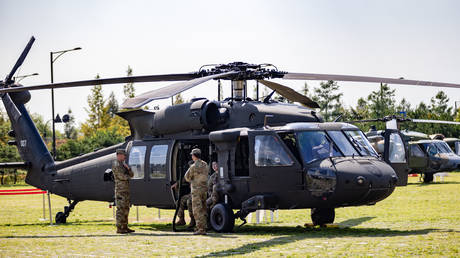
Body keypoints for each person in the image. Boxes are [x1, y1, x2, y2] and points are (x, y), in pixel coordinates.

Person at [184, 148, 208, 235]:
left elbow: (187, 177)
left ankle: (200, 229)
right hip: (204, 190)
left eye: (192, 155)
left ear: (194, 156)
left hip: (196, 191)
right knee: (204, 208)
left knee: (197, 210)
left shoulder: (193, 167)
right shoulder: (205, 164)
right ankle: (204, 227)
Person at [112, 149, 135, 234]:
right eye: (124, 155)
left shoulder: (123, 164)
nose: (125, 157)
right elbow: (122, 176)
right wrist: (128, 176)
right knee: (120, 209)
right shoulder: (116, 164)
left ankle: (125, 227)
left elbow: (132, 174)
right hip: (120, 191)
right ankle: (119, 228)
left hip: (126, 190)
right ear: (119, 155)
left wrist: (128, 168)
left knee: (126, 209)